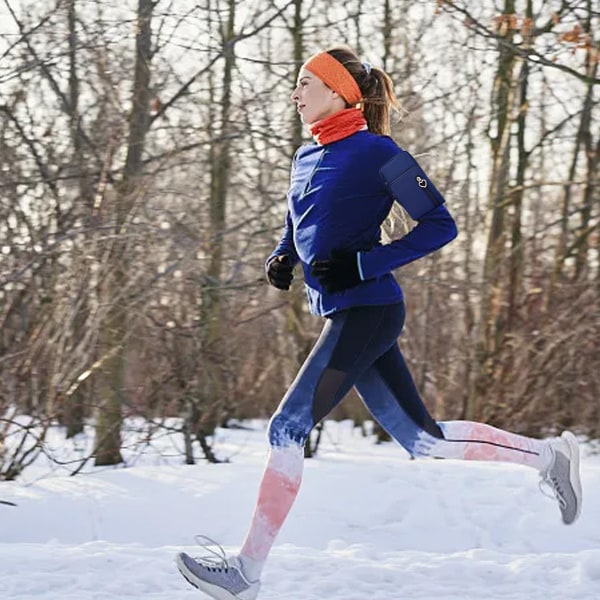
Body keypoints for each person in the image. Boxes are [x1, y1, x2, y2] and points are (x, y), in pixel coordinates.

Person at [176, 46, 583, 600]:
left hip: (371, 309)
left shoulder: (378, 152)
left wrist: (365, 262)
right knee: (424, 442)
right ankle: (548, 455)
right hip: (342, 312)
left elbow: (440, 225)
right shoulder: (305, 155)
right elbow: (299, 217)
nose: (295, 95)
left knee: (287, 426)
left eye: (305, 84)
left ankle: (246, 572)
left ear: (340, 92)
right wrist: (283, 256)